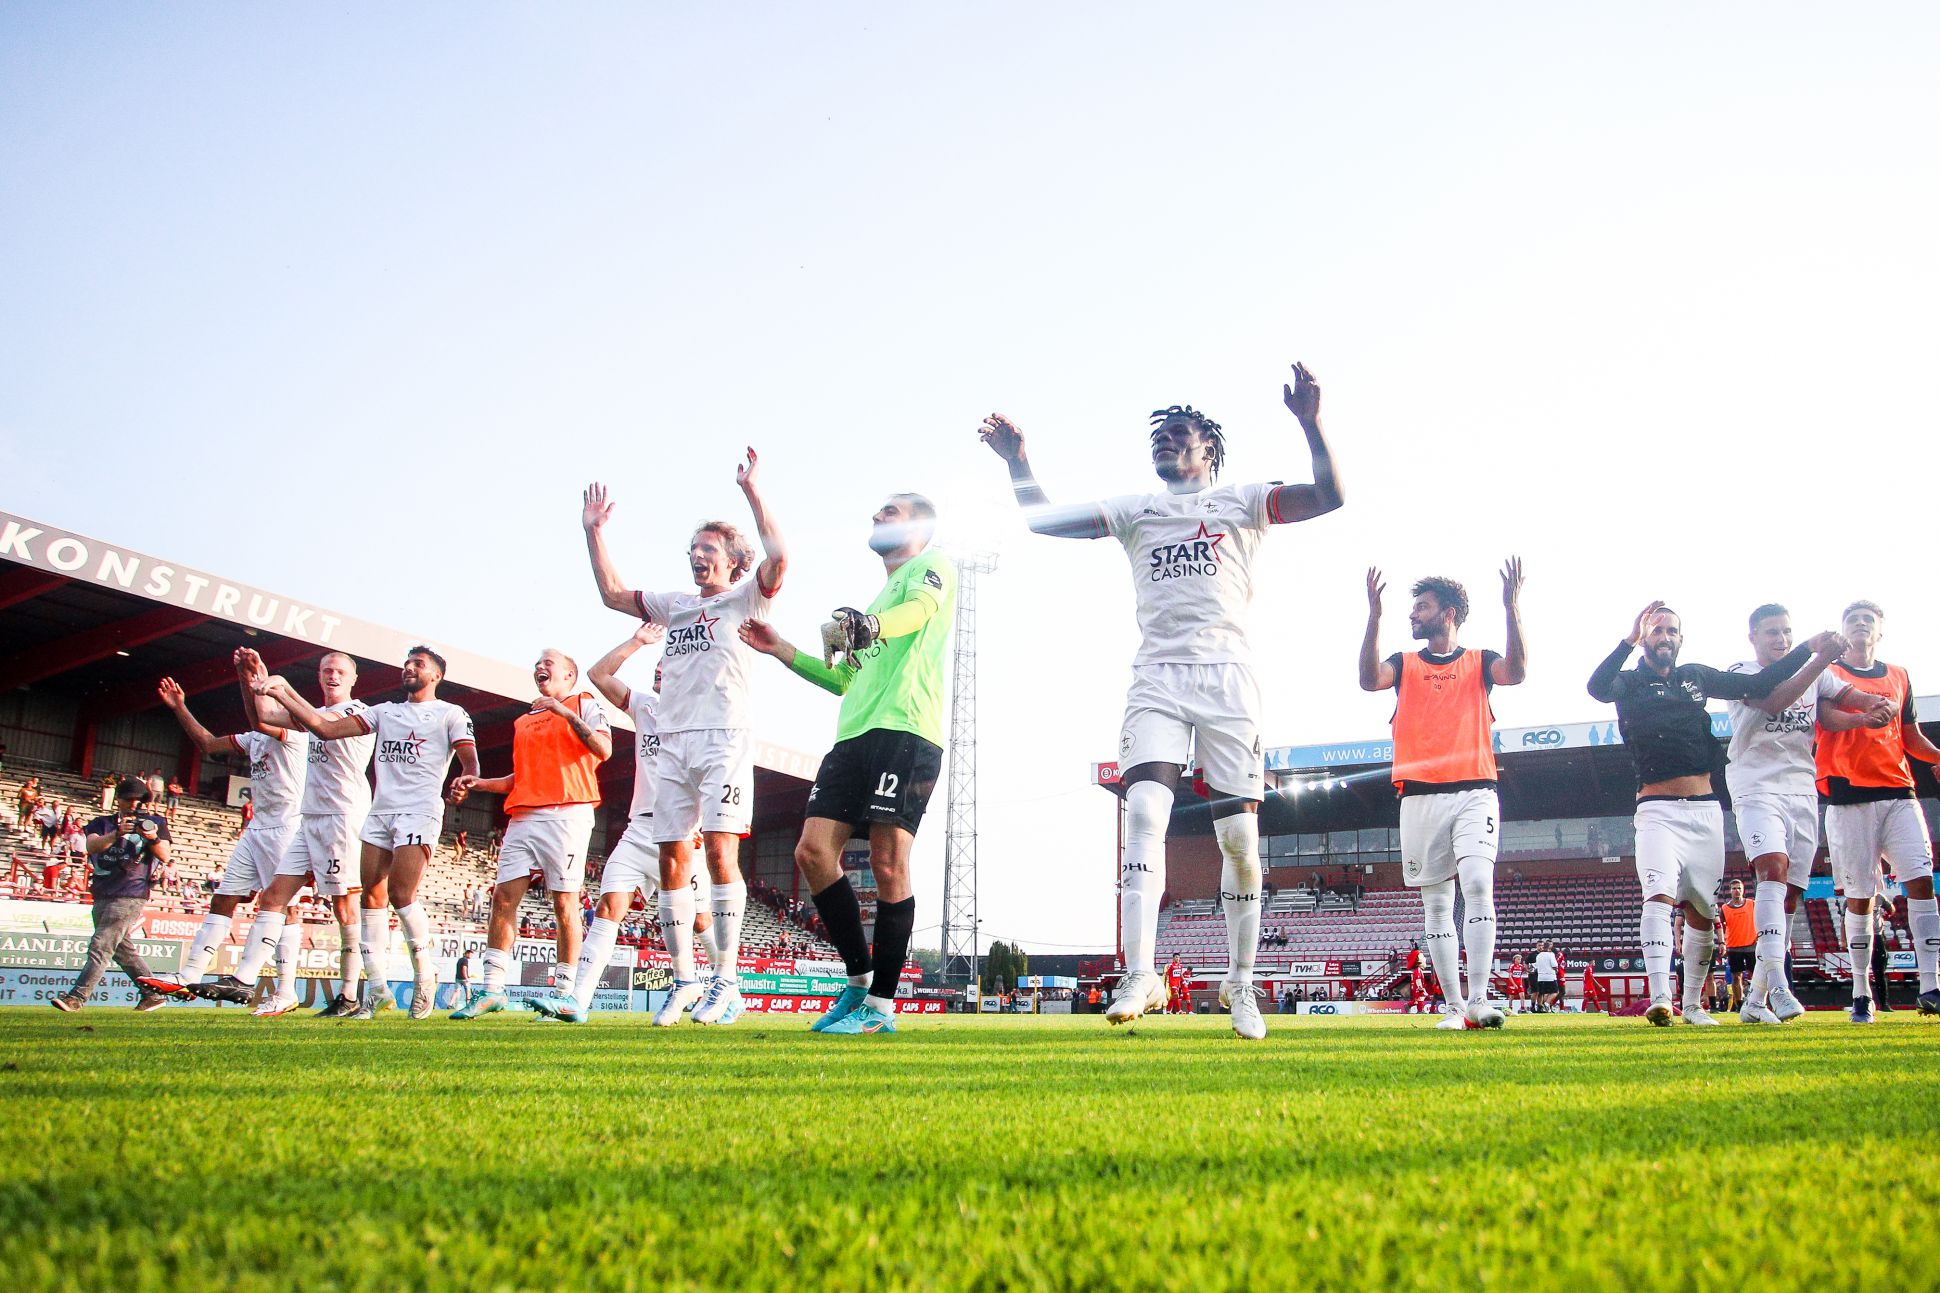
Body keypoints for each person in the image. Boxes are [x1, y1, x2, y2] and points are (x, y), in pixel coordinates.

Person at [980, 362, 1342, 1040]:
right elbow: (1043, 520)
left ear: (1209, 450)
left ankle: (1240, 983)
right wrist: (1019, 462)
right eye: (1159, 437)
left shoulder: (1244, 500)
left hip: (1229, 678)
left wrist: (1311, 422)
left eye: (1180, 435)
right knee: (1145, 809)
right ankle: (1141, 973)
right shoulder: (1134, 510)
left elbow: (1328, 495)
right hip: (1158, 678)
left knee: (1239, 840)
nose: (1166, 442)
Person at [582, 449, 787, 1027]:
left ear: (734, 561)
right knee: (673, 857)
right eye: (693, 549)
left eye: (709, 550)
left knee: (720, 852)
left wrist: (752, 492)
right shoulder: (673, 606)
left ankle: (728, 981)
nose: (697, 556)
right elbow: (612, 593)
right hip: (671, 742)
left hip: (723, 738)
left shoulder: (746, 597)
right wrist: (594, 533)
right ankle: (685, 981)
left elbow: (779, 556)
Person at [739, 492, 956, 1035]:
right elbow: (841, 680)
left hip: (906, 729)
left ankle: (881, 1009)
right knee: (812, 853)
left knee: (888, 861)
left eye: (891, 511)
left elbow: (918, 612)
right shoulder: (873, 604)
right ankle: (858, 981)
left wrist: (873, 625)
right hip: (852, 737)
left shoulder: (931, 566)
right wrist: (780, 648)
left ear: (920, 525)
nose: (878, 515)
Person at [1588, 601, 1835, 1026]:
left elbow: (1760, 683)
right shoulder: (1629, 682)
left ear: (1681, 639)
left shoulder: (1696, 676)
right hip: (1657, 810)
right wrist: (1627, 639)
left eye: (1671, 631)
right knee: (1658, 895)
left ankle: (1692, 1006)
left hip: (1705, 811)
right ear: (1645, 638)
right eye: (1656, 630)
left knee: (1702, 911)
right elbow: (1597, 687)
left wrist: (1808, 649)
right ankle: (1660, 997)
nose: (1664, 637)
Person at [256, 646, 478, 1020]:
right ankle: (377, 989)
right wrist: (283, 692)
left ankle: (426, 975)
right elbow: (324, 729)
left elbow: (469, 756)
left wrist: (467, 779)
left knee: (401, 894)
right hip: (379, 813)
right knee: (371, 900)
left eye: (418, 664)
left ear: (436, 675)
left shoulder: (450, 713)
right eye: (407, 662)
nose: (409, 667)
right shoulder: (384, 712)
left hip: (419, 811)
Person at [1360, 560, 1526, 1030]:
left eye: (1422, 607)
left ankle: (1479, 1000)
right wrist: (1373, 617)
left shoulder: (1480, 661)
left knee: (1477, 884)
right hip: (1418, 797)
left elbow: (1516, 672)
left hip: (1475, 790)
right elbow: (1369, 680)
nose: (1413, 614)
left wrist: (1512, 609)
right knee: (1436, 904)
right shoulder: (1404, 663)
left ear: (1448, 614)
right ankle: (1453, 1007)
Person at [1723, 602, 1879, 1024]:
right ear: (1753, 637)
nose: (1782, 639)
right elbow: (1775, 701)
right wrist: (1817, 656)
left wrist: (1877, 703)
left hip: (1801, 788)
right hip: (1756, 784)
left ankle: (1755, 1002)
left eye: (1787, 631)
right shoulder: (1741, 672)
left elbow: (1846, 695)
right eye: (1772, 632)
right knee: (1771, 868)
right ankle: (1779, 985)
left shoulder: (1819, 672)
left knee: (1791, 892)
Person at [448, 648, 612, 1020]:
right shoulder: (524, 720)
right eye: (538, 663)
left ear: (569, 675)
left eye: (548, 663)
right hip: (523, 815)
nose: (540, 666)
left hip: (567, 813)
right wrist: (480, 783)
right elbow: (521, 777)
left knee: (564, 904)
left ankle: (564, 995)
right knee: (503, 899)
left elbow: (603, 749)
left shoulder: (584, 703)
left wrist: (564, 712)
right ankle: (492, 990)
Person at [223, 648, 377, 1018]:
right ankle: (243, 980)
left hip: (342, 818)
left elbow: (319, 725)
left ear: (353, 679)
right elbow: (261, 719)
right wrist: (250, 678)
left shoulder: (358, 712)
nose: (332, 676)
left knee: (344, 908)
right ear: (319, 675)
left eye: (340, 671)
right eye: (326, 670)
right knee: (275, 894)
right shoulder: (312, 712)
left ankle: (349, 995)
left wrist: (279, 685)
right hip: (309, 817)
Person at [138, 675, 306, 1006]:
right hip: (257, 828)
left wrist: (248, 678)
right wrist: (180, 707)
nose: (260, 703)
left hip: (287, 828)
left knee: (284, 906)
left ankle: (284, 990)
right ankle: (189, 974)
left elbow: (260, 717)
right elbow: (208, 743)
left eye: (265, 699)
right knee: (223, 899)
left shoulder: (294, 735)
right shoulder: (253, 738)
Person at [1814, 600, 1940, 1021]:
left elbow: (1911, 736)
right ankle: (1861, 992)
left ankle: (1930, 986)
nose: (1860, 624)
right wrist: (1862, 719)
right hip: (1848, 793)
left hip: (1899, 791)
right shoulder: (1829, 672)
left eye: (1868, 619)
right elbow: (1827, 719)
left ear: (1879, 631)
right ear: (1842, 630)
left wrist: (1937, 756)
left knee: (1921, 880)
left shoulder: (1899, 675)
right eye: (1852, 619)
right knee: (1860, 897)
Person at [50, 778, 173, 1012]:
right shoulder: (102, 823)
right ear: (119, 800)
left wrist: (152, 837)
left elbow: (165, 854)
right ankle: (153, 994)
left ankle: (77, 997)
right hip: (103, 891)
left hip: (131, 892)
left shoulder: (156, 823)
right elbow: (91, 846)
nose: (134, 804)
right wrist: (116, 834)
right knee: (121, 949)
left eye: (138, 800)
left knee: (101, 945)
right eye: (129, 799)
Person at [1716, 879, 1757, 1013]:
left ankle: (1758, 1001)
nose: (1737, 891)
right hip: (1734, 946)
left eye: (1739, 888)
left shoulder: (1752, 904)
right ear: (1730, 891)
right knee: (1736, 976)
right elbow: (1719, 926)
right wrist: (1722, 942)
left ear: (1743, 889)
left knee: (1757, 976)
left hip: (1751, 945)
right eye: (1734, 888)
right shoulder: (1724, 908)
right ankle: (1739, 1004)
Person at [1531, 943, 1559, 1013]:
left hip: (1540, 977)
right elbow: (1554, 965)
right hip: (1550, 976)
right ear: (1549, 948)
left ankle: (1540, 1007)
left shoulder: (1539, 955)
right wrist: (1556, 970)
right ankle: (1547, 1003)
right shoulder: (1551, 954)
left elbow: (1536, 966)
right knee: (1555, 992)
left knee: (1541, 993)